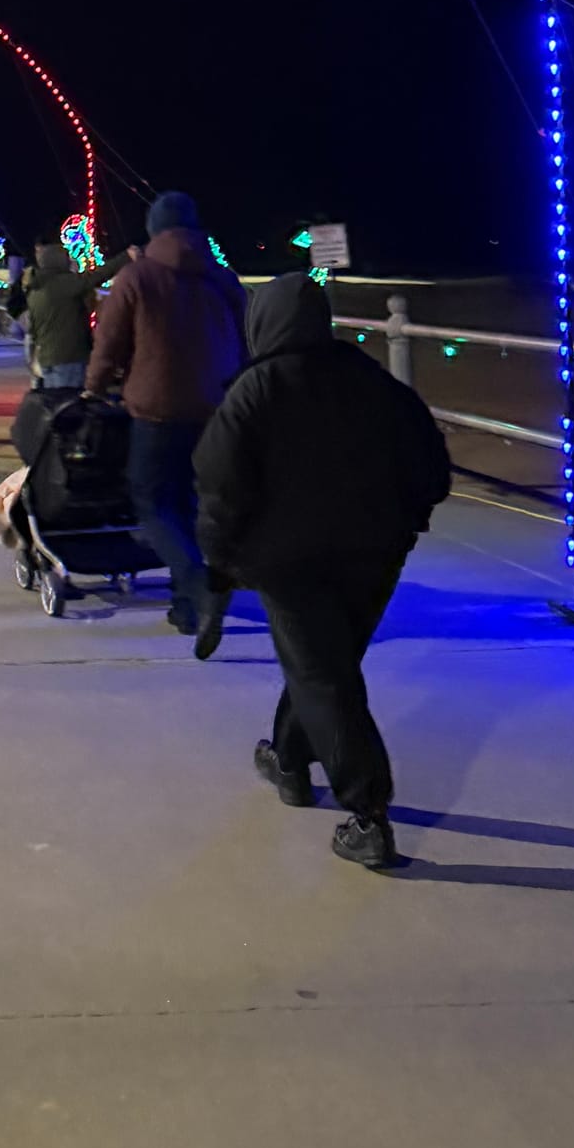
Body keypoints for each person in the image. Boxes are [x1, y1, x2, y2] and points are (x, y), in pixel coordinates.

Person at [194, 273, 451, 872]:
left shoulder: (253, 391)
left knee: (321, 674)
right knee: (324, 666)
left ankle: (369, 814)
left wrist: (220, 556)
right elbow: (431, 470)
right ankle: (288, 761)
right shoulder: (374, 383)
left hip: (285, 561)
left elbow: (219, 486)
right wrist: (404, 521)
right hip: (374, 555)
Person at [83, 190, 246, 634]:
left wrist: (93, 387)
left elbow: (109, 343)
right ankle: (187, 606)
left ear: (154, 229)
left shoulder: (137, 278)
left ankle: (197, 580)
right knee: (190, 502)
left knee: (152, 500)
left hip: (155, 410)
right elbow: (247, 337)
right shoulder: (222, 278)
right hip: (216, 408)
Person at [10, 230, 128, 391]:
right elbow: (97, 276)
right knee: (68, 404)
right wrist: (125, 257)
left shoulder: (35, 286)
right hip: (68, 357)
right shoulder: (62, 284)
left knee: (54, 403)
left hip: (46, 356)